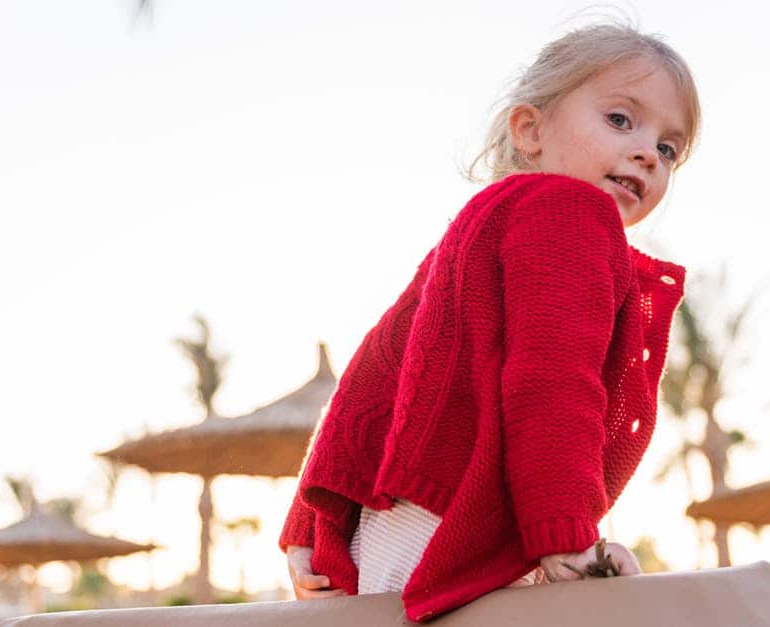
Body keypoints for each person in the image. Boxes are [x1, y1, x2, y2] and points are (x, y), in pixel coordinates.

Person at [279, 21, 700, 622]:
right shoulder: (569, 211)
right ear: (530, 129)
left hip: (391, 522)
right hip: (466, 522)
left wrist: (309, 520)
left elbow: (373, 370)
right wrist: (565, 534)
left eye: (668, 149)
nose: (646, 154)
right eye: (620, 120)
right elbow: (554, 380)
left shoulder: (479, 227)